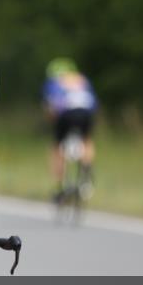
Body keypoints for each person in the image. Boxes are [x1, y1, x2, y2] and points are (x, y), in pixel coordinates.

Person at [42, 57, 97, 199]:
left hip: (66, 114)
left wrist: (54, 123)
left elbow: (51, 108)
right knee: (86, 139)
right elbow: (93, 103)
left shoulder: (53, 82)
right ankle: (86, 172)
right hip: (86, 113)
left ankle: (60, 187)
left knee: (57, 147)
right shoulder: (82, 79)